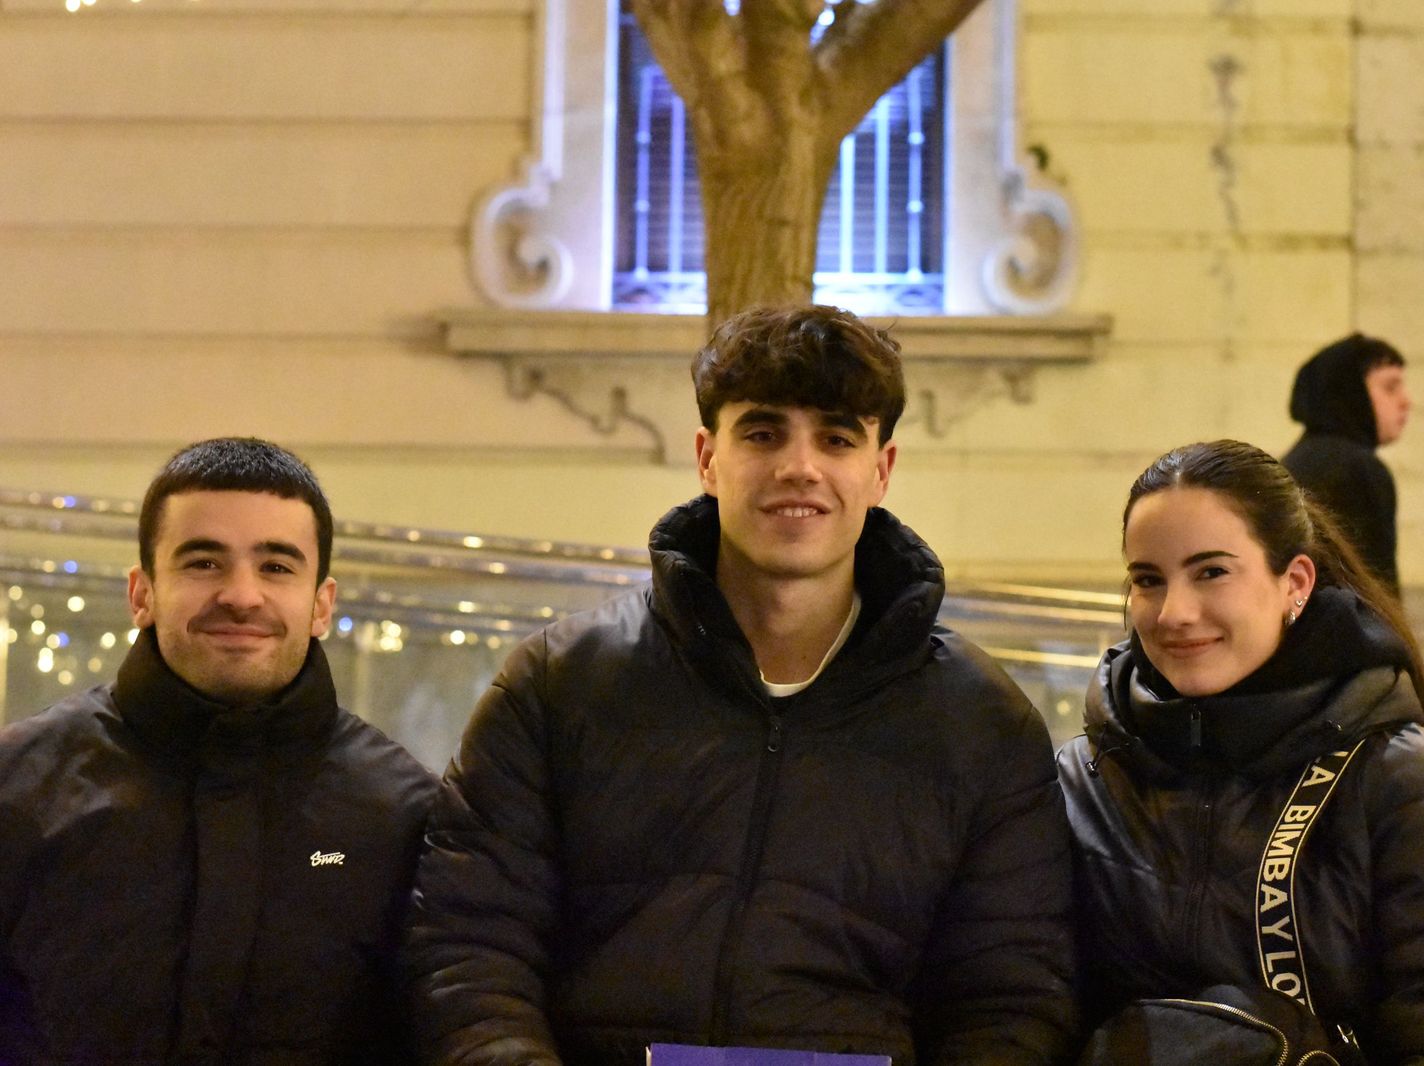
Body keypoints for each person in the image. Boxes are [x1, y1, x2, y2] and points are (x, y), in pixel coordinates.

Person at [407, 305, 1076, 1064]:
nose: (800, 466)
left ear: (880, 470)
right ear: (706, 457)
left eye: (836, 437)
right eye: (762, 433)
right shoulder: (560, 684)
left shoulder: (982, 722)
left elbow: (1014, 998)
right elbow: (468, 945)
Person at [1058, 440, 1424, 1064]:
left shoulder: (1405, 780)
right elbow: (1026, 1007)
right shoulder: (1084, 776)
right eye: (1149, 580)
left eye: (1211, 572)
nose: (1174, 612)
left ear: (1296, 583)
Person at [0, 437, 437, 1065]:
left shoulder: (403, 814)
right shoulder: (21, 789)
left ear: (321, 605)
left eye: (277, 566)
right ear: (141, 593)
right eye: (203, 562)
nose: (242, 594)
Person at [1282, 332, 1411, 595]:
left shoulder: (1295, 460)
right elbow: (1376, 594)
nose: (1406, 401)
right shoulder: (1360, 470)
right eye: (1390, 387)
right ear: (1351, 393)